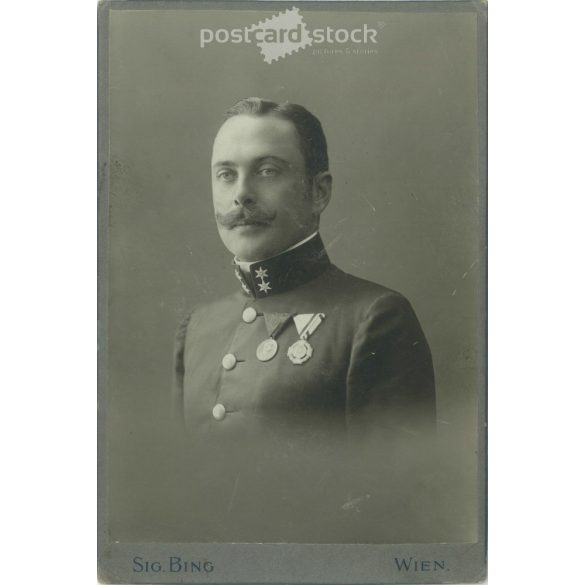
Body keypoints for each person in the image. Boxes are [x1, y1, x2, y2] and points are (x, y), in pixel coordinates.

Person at [170, 97, 436, 542]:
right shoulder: (198, 328)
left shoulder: (374, 318)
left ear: (320, 191)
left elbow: (393, 513)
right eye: (226, 174)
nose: (241, 193)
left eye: (268, 170)